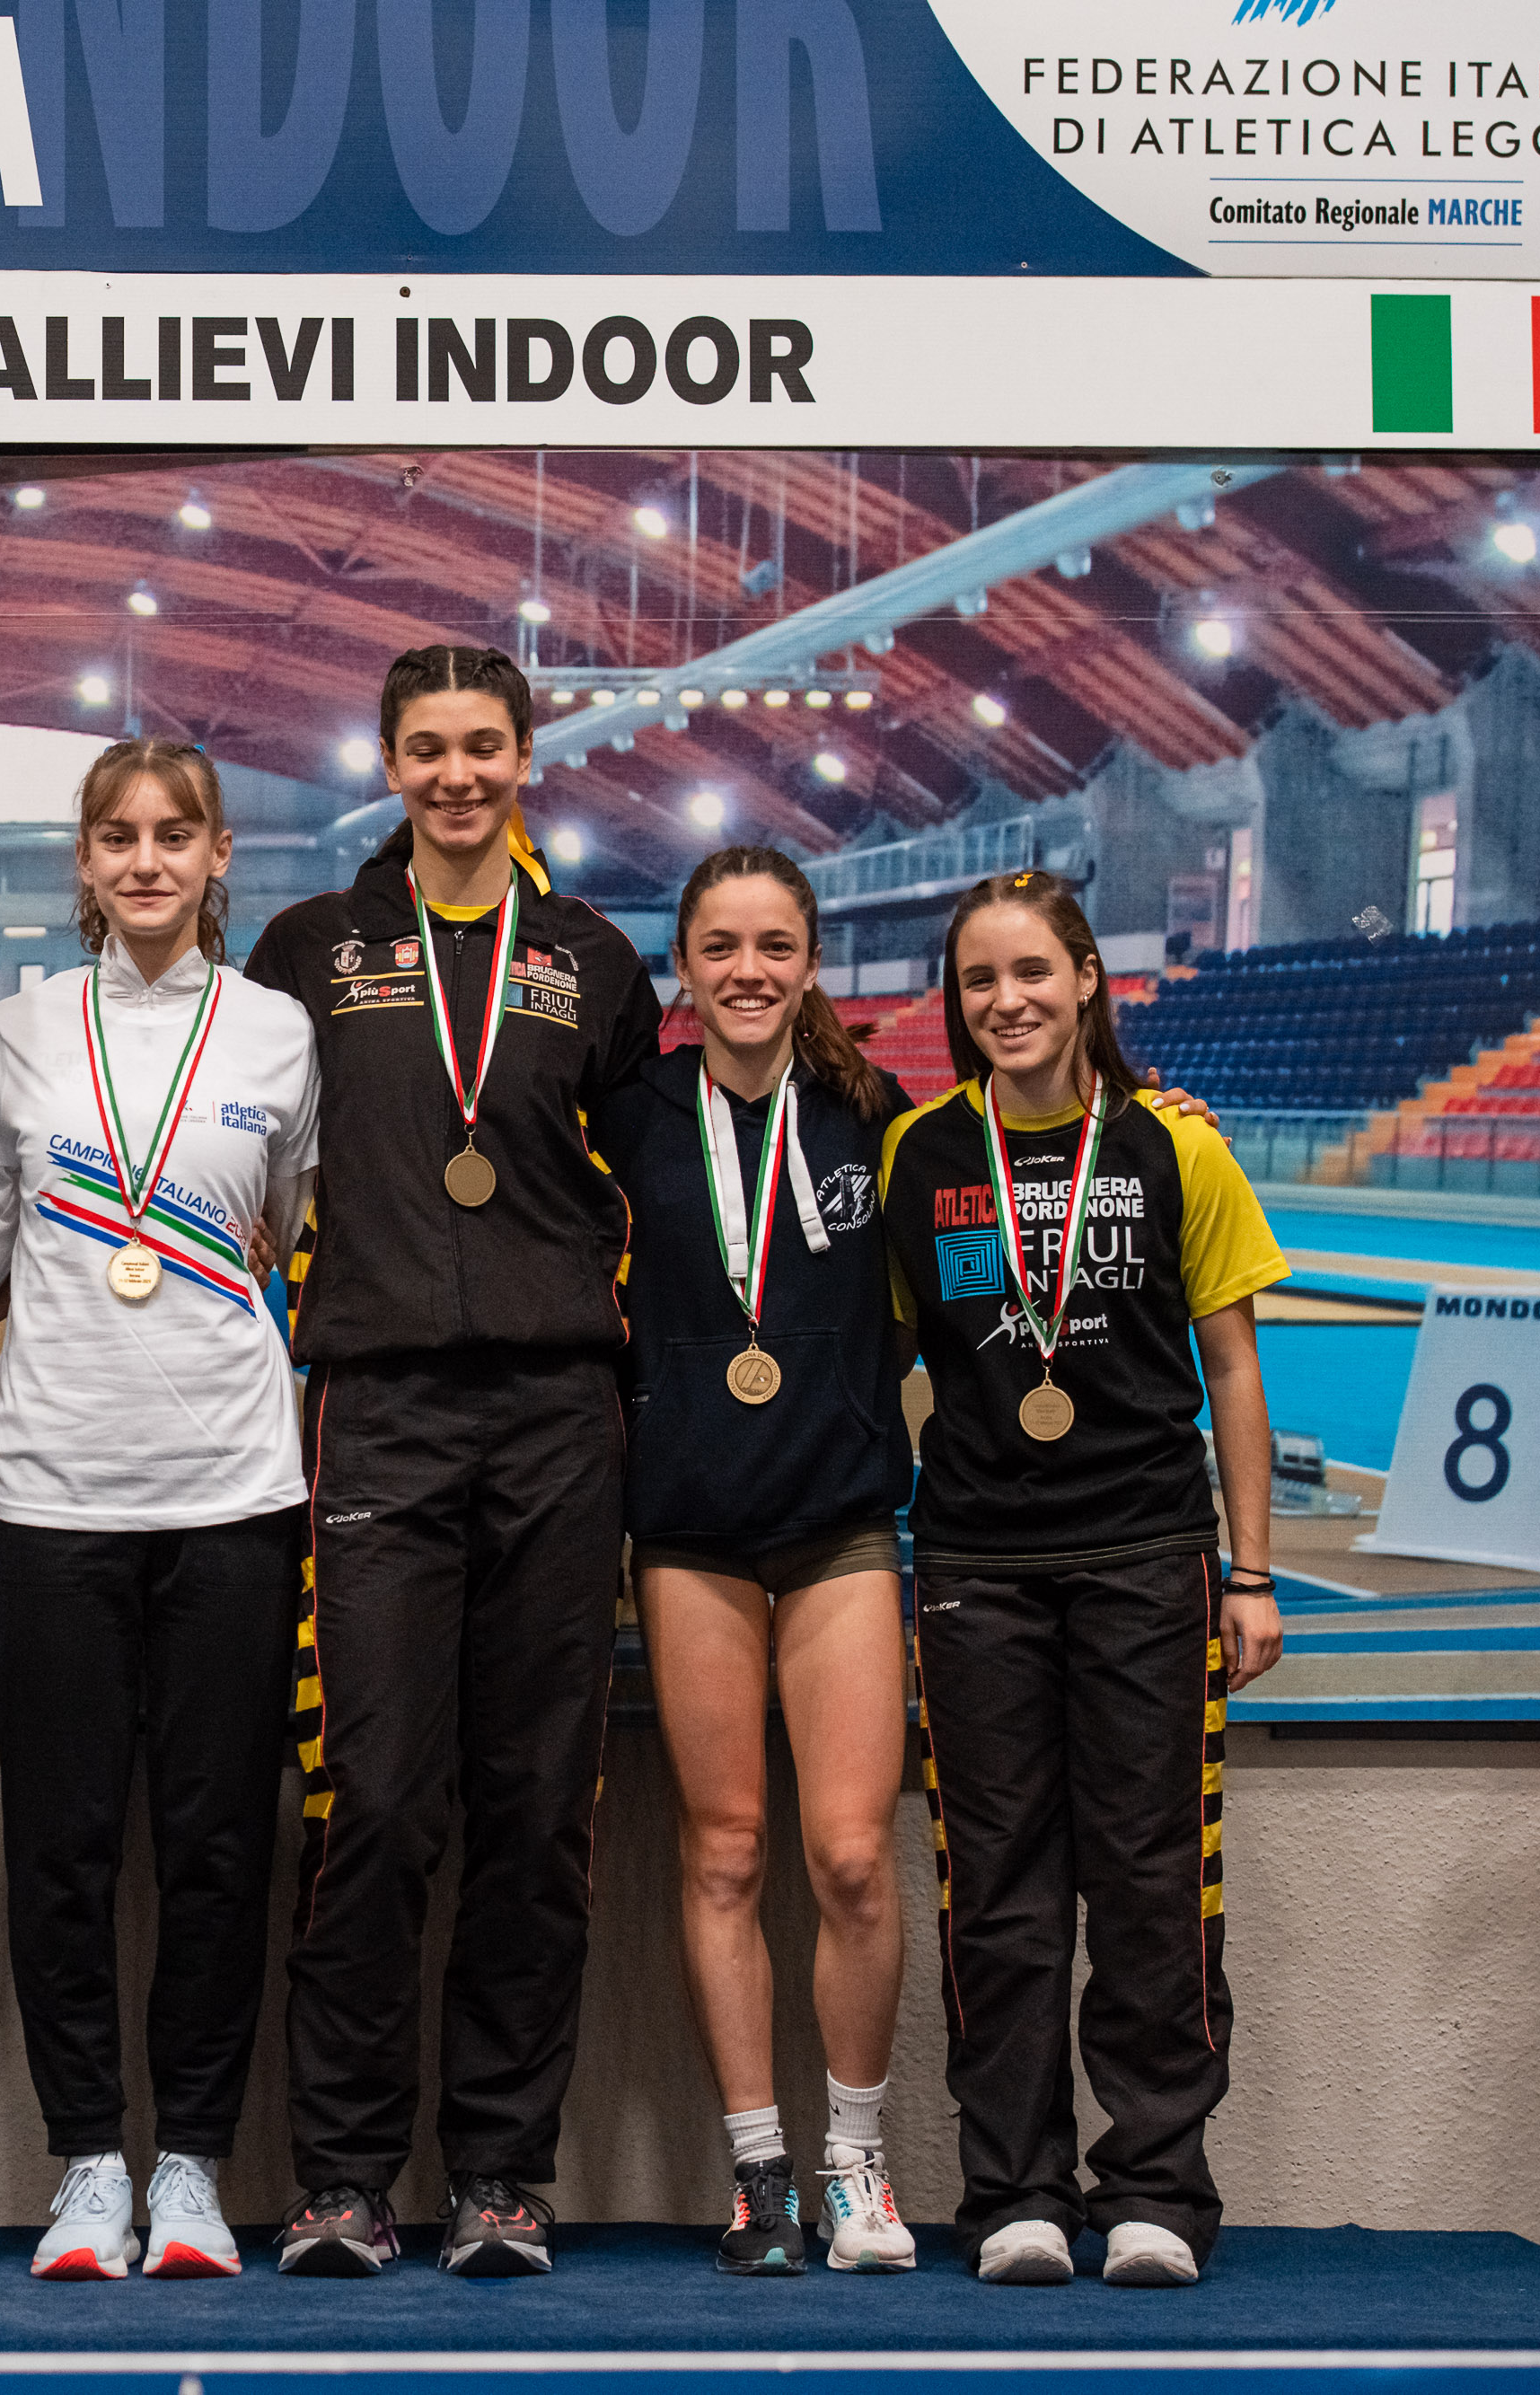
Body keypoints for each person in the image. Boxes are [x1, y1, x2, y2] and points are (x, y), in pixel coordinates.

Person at [242, 645, 662, 2278]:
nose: (458, 775)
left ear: (526, 756)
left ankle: (502, 2171)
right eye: (428, 747)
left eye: (484, 745)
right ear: (390, 763)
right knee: (376, 1799)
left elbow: (665, 1176)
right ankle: (345, 2175)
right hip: (382, 1406)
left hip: (560, 1415)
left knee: (537, 1807)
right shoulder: (312, 950)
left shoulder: (592, 960)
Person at [0, 740, 318, 2281]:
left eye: (174, 834)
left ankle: (195, 2164)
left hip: (234, 1490)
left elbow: (302, 1229)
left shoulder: (278, 1031)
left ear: (217, 858)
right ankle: (89, 2161)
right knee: (64, 1848)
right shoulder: (22, 1032)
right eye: (118, 836)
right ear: (83, 862)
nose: (146, 860)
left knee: (218, 1847)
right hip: (57, 1491)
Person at [879, 870, 1285, 2290]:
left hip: (1145, 1560)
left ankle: (1159, 2187)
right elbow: (876, 1352)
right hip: (977, 1567)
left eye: (1033, 972)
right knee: (996, 1898)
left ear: (1089, 979)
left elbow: (1233, 1368)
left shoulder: (1176, 1146)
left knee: (1153, 1886)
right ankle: (1016, 2194)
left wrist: (1253, 1573)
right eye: (981, 980)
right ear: (958, 1002)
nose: (1009, 1001)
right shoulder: (921, 1152)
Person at [587, 849, 918, 2277]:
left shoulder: (872, 1111)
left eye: (774, 945)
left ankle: (858, 2164)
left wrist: (1150, 1105)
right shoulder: (632, 1115)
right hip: (691, 1529)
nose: (747, 970)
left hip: (838, 1520)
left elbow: (1007, 1146)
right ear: (684, 963)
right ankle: (759, 2176)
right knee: (724, 1849)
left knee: (850, 1855)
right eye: (719, 945)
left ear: (811, 961)